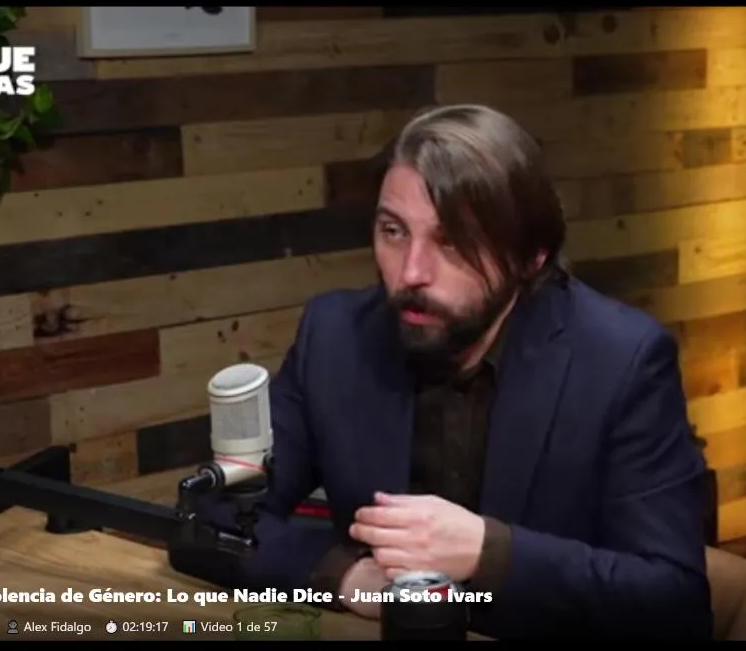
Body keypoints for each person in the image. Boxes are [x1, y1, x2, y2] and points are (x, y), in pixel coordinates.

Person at [170, 104, 713, 640]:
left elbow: (673, 602)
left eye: (453, 242)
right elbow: (209, 520)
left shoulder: (622, 361)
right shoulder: (335, 338)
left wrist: (488, 553)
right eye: (393, 231)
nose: (411, 272)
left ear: (532, 257)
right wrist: (344, 576)